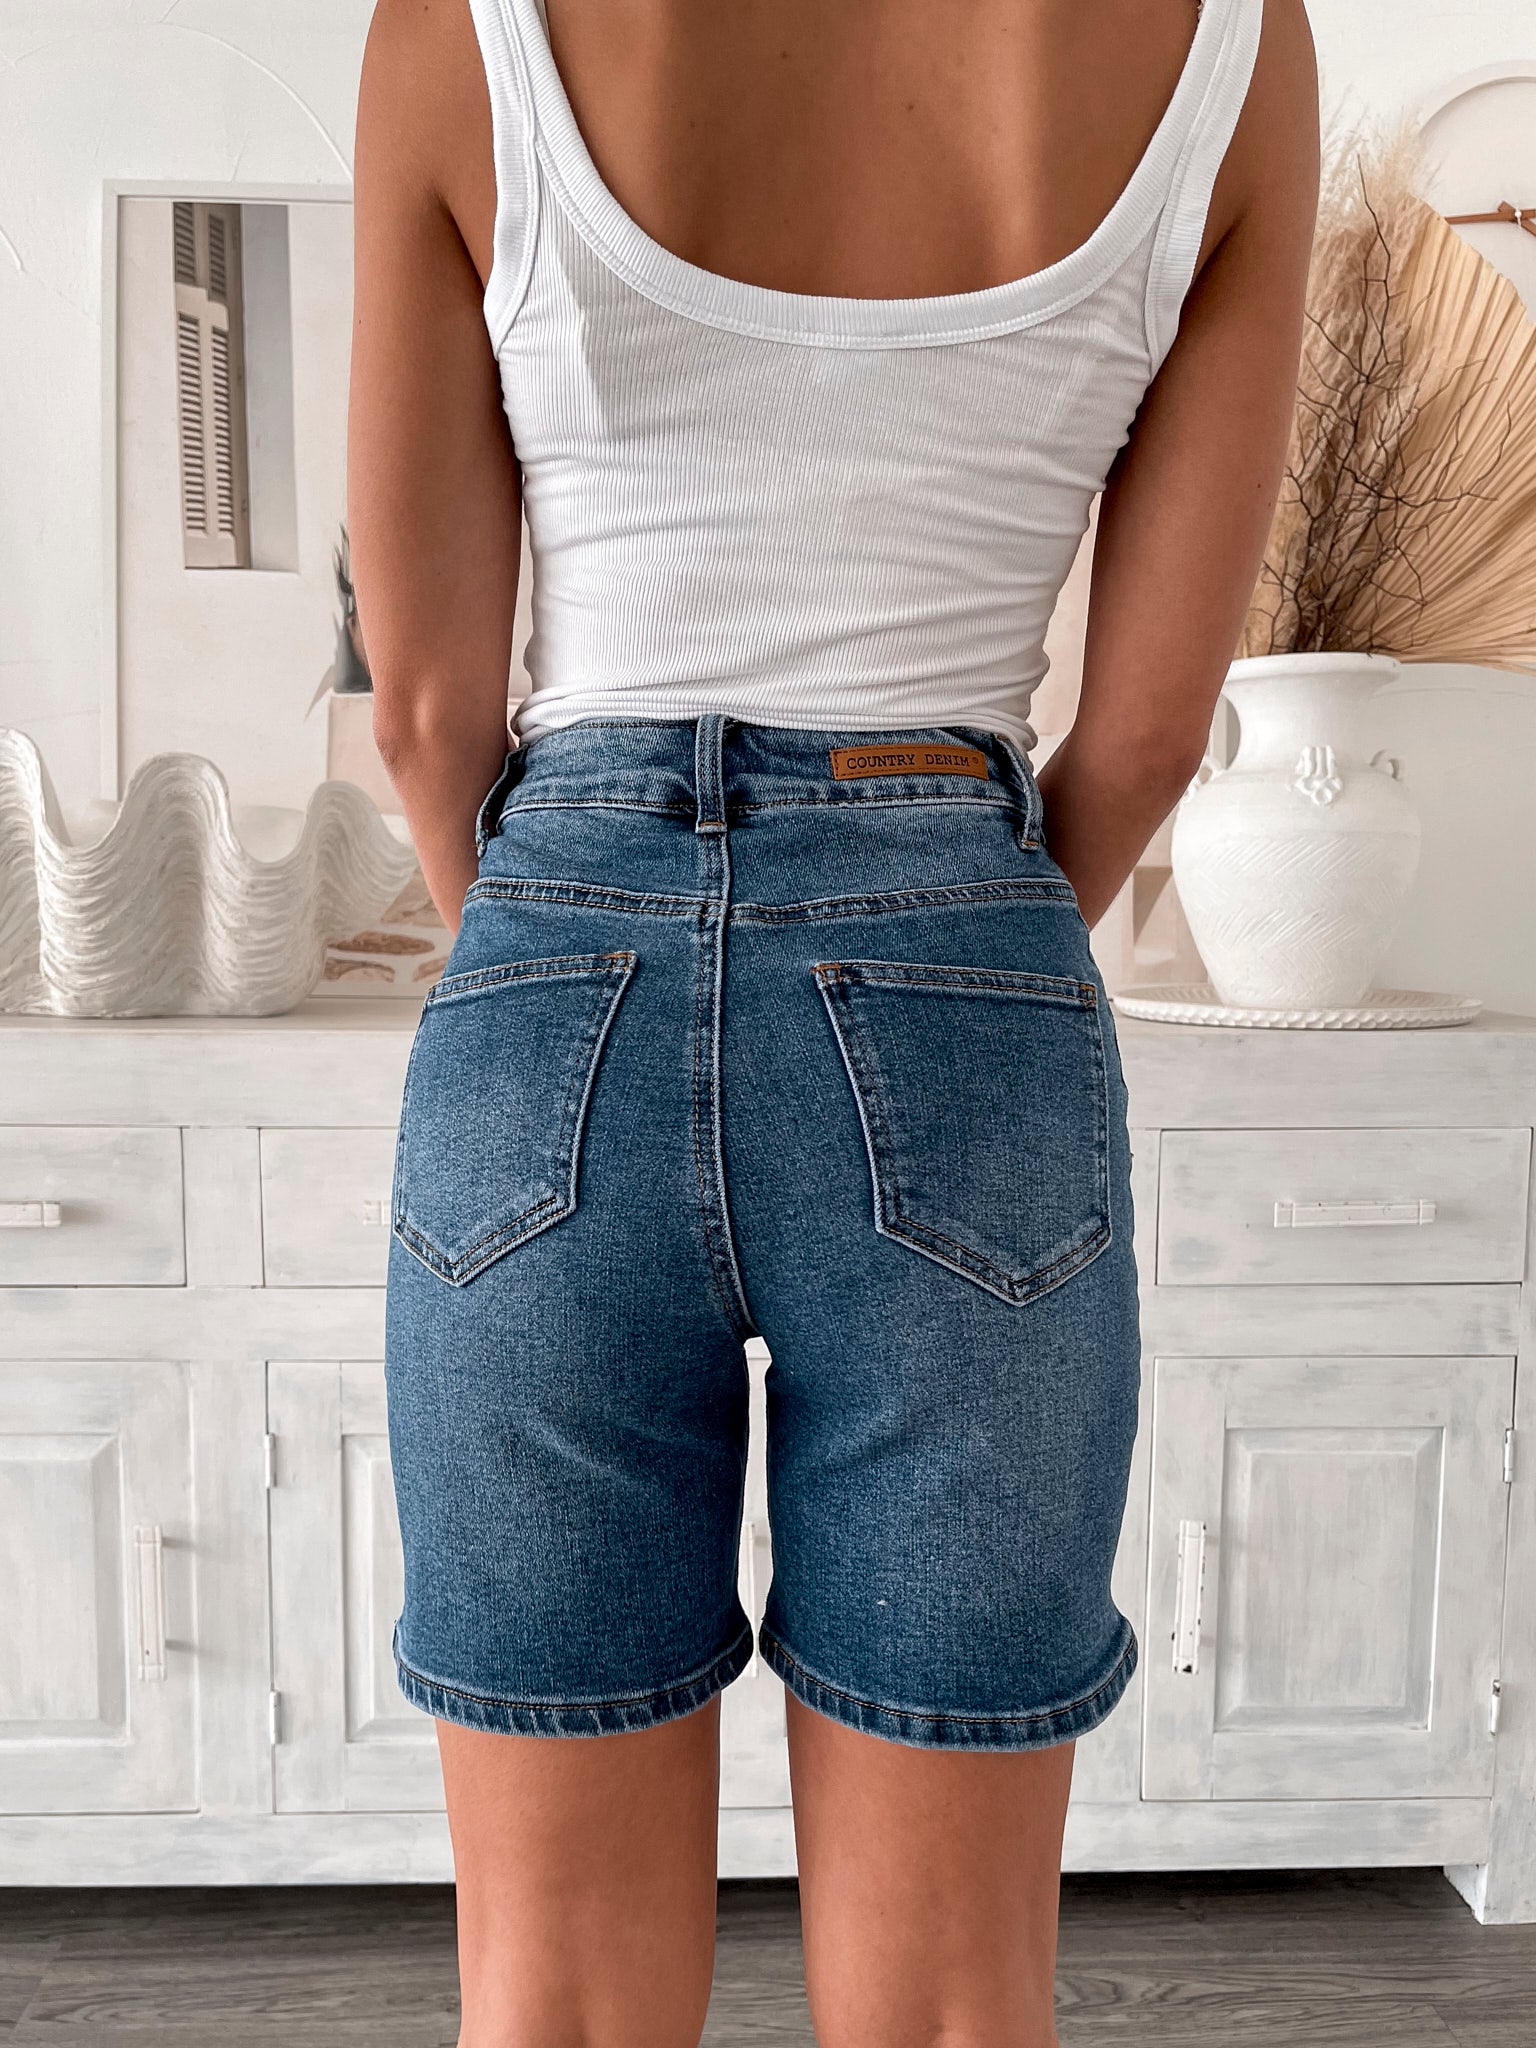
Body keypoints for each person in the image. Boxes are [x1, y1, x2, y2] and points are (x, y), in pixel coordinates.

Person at [347, 1, 1319, 2041]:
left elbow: (428, 712)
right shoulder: (1237, 39)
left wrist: (559, 959)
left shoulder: (457, 27)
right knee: (956, 2003)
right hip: (963, 943)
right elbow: (1147, 731)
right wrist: (957, 949)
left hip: (559, 963)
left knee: (555, 2003)